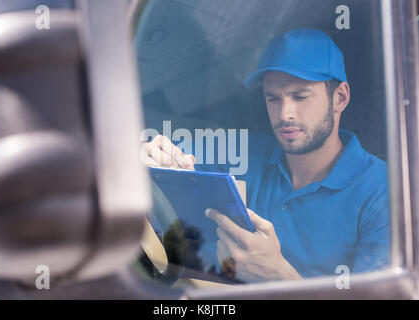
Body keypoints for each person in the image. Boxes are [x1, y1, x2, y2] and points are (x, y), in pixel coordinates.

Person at [140, 29, 389, 282]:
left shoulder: (384, 191)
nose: (284, 114)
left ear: (340, 98)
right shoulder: (248, 152)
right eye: (273, 99)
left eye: (300, 96)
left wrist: (280, 276)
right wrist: (150, 150)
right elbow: (167, 148)